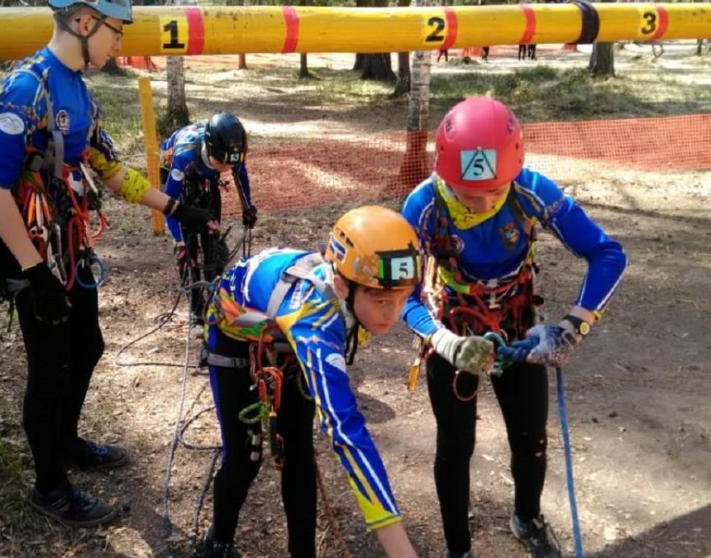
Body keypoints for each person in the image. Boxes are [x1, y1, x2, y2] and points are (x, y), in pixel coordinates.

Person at [0, 0, 214, 528]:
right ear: (84, 22)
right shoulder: (28, 88)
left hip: (68, 246)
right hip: (34, 253)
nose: (119, 44)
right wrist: (33, 271)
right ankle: (49, 487)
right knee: (49, 368)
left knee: (88, 346)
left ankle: (65, 443)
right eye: (115, 32)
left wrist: (177, 208)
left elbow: (108, 170)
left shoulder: (79, 91)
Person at [400, 97, 628, 558]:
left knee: (531, 437)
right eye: (466, 192)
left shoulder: (531, 191)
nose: (482, 201)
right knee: (455, 445)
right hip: (452, 328)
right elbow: (400, 294)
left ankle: (527, 517)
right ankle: (458, 549)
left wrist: (570, 328)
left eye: (493, 189)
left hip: (519, 325)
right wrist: (441, 340)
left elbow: (608, 254)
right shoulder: (423, 207)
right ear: (444, 174)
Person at [200, 206, 452, 558]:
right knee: (245, 457)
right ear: (341, 285)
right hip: (236, 330)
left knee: (298, 453)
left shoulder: (366, 284)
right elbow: (346, 431)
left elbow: (406, 300)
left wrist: (444, 340)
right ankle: (217, 543)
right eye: (381, 300)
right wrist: (402, 551)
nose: (392, 314)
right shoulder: (314, 323)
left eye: (400, 299)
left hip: (282, 328)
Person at [160, 112, 256, 333]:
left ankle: (216, 301)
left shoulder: (231, 154)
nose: (226, 168)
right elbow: (168, 204)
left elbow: (240, 175)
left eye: (229, 164)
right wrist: (179, 242)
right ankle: (195, 309)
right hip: (181, 178)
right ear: (211, 149)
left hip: (206, 177)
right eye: (221, 163)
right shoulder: (184, 154)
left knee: (212, 239)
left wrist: (247, 207)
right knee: (189, 251)